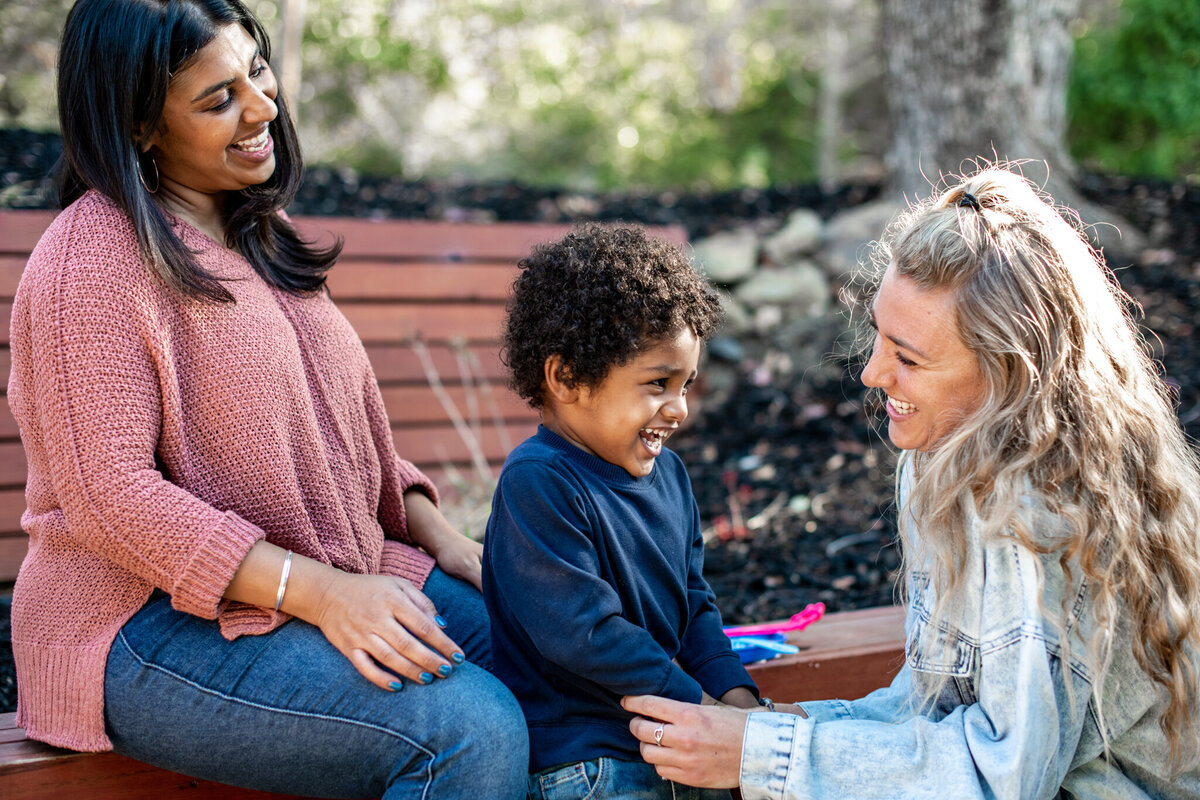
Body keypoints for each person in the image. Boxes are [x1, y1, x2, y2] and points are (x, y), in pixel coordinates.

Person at [6, 0, 527, 796]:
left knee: (552, 659)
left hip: (320, 576)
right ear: (140, 124)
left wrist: (447, 543)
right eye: (217, 99)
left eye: (255, 70)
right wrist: (324, 594)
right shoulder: (91, 261)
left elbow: (341, 440)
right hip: (141, 630)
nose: (262, 106)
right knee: (466, 730)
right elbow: (109, 497)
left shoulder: (254, 229)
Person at [622, 165, 1200, 798]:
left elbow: (1001, 777)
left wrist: (760, 756)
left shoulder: (1032, 514)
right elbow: (933, 709)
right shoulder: (945, 460)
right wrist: (773, 728)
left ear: (1006, 372)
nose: (872, 374)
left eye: (908, 357)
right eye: (878, 336)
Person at [482, 225, 764, 800]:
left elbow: (694, 607)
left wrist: (742, 705)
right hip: (588, 764)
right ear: (566, 378)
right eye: (657, 383)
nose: (678, 408)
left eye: (686, 385)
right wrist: (703, 709)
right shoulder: (539, 482)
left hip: (675, 742)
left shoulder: (671, 477)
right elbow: (586, 635)